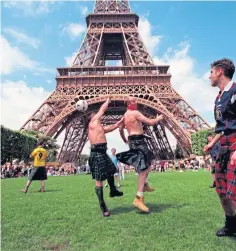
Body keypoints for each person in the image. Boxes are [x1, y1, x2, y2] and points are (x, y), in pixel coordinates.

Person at [204, 58, 236, 237]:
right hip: (224, 145)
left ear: (220, 72)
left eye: (211, 72)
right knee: (222, 190)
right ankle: (231, 224)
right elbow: (223, 127)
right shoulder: (219, 97)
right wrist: (212, 142)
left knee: (235, 192)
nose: (209, 76)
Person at [117, 97, 164, 213]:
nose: (136, 102)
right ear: (128, 103)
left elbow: (120, 129)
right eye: (133, 101)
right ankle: (139, 198)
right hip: (139, 141)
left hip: (133, 140)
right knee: (143, 168)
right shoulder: (135, 113)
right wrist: (158, 118)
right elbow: (150, 122)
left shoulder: (125, 116)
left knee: (148, 162)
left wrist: (125, 139)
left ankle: (145, 184)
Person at [88, 97, 123, 217]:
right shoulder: (93, 122)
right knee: (99, 180)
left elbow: (110, 128)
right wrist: (108, 100)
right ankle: (102, 205)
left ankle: (113, 190)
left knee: (112, 170)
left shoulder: (99, 128)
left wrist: (118, 123)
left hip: (103, 153)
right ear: (92, 118)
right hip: (97, 153)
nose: (98, 116)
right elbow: (102, 110)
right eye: (95, 115)